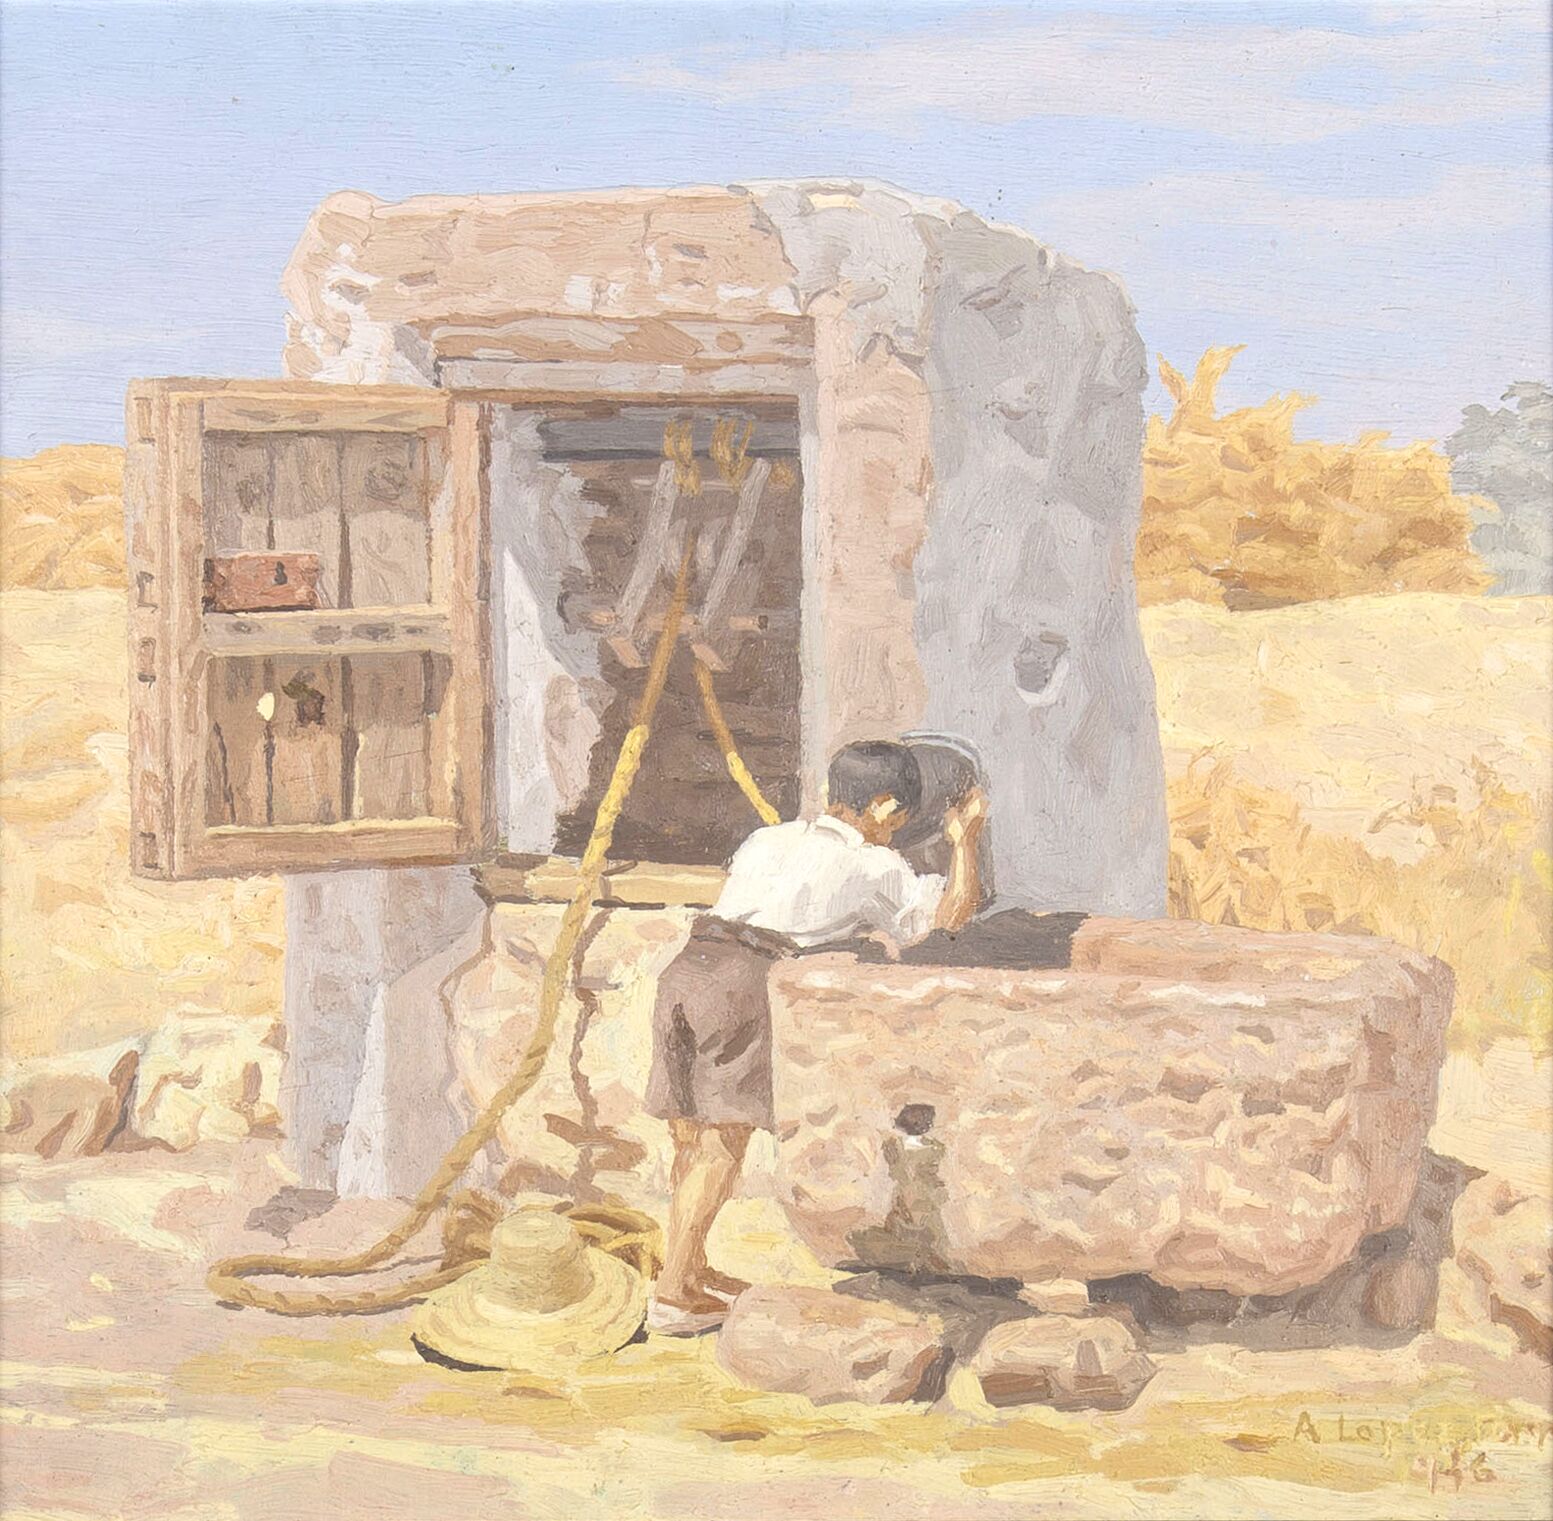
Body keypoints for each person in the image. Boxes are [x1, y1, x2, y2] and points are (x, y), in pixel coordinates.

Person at [643, 739, 989, 1333]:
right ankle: (674, 1292)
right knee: (723, 1145)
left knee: (691, 1139)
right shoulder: (876, 866)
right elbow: (949, 920)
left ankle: (689, 1268)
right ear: (882, 807)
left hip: (687, 971)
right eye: (901, 815)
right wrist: (965, 841)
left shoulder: (767, 839)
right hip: (742, 984)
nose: (900, 828)